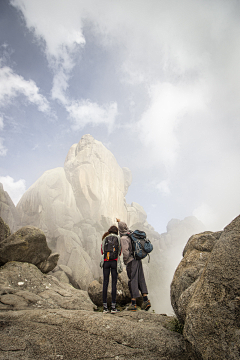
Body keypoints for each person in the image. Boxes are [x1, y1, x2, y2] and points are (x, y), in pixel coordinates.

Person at [116, 219, 151, 311]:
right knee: (140, 279)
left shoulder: (123, 238)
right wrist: (119, 221)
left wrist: (125, 261)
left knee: (133, 280)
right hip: (138, 260)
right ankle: (146, 301)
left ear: (119, 230)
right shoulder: (131, 234)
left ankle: (133, 304)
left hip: (131, 261)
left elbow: (126, 252)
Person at [101, 225, 121, 314]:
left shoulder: (105, 238)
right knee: (114, 283)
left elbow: (102, 251)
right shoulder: (118, 238)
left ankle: (105, 307)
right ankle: (113, 307)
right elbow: (119, 251)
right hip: (114, 262)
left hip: (106, 261)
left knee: (105, 283)